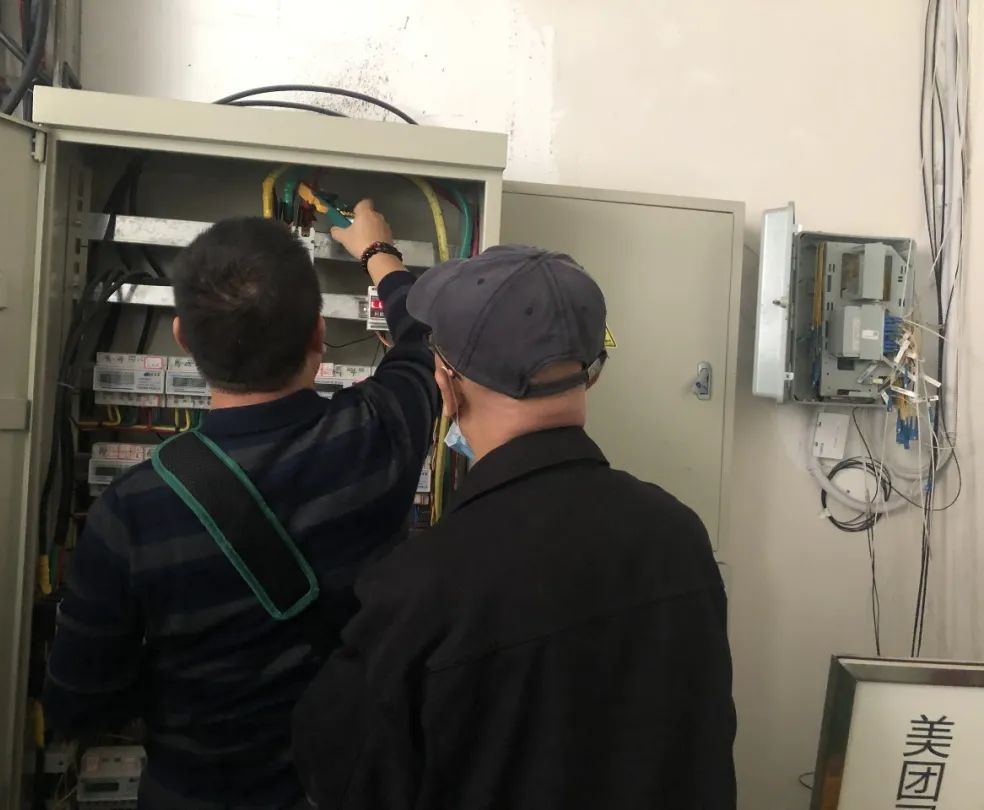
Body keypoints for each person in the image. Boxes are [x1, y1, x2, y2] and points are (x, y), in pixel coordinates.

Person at [293, 245, 736, 809]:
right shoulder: (679, 536)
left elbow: (338, 775)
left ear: (447, 388)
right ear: (592, 375)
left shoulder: (422, 586)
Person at [43, 203, 437, 810]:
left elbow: (79, 705)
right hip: (346, 784)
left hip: (195, 792)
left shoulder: (130, 512)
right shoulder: (375, 434)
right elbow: (427, 337)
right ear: (318, 334)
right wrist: (377, 253)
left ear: (182, 336)